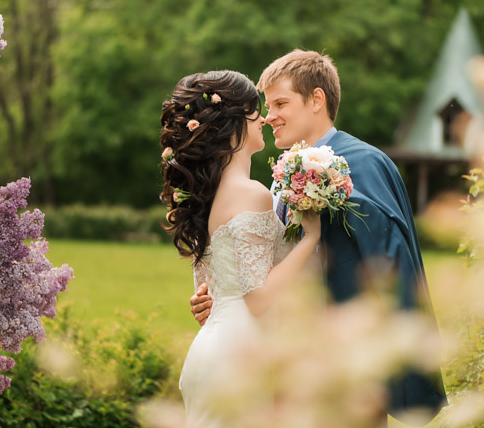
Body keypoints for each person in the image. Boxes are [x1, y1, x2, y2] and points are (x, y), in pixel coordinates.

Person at [190, 51, 447, 424]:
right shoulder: (280, 178)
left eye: (281, 103)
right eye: (266, 105)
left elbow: (392, 265)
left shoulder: (366, 163)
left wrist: (402, 364)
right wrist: (223, 294)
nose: (268, 116)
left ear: (316, 100)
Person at [160, 70, 322, 428]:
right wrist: (309, 238)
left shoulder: (208, 201)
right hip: (237, 357)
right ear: (233, 123)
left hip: (213, 349)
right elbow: (258, 299)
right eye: (254, 111)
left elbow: (209, 289)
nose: (263, 118)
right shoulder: (251, 194)